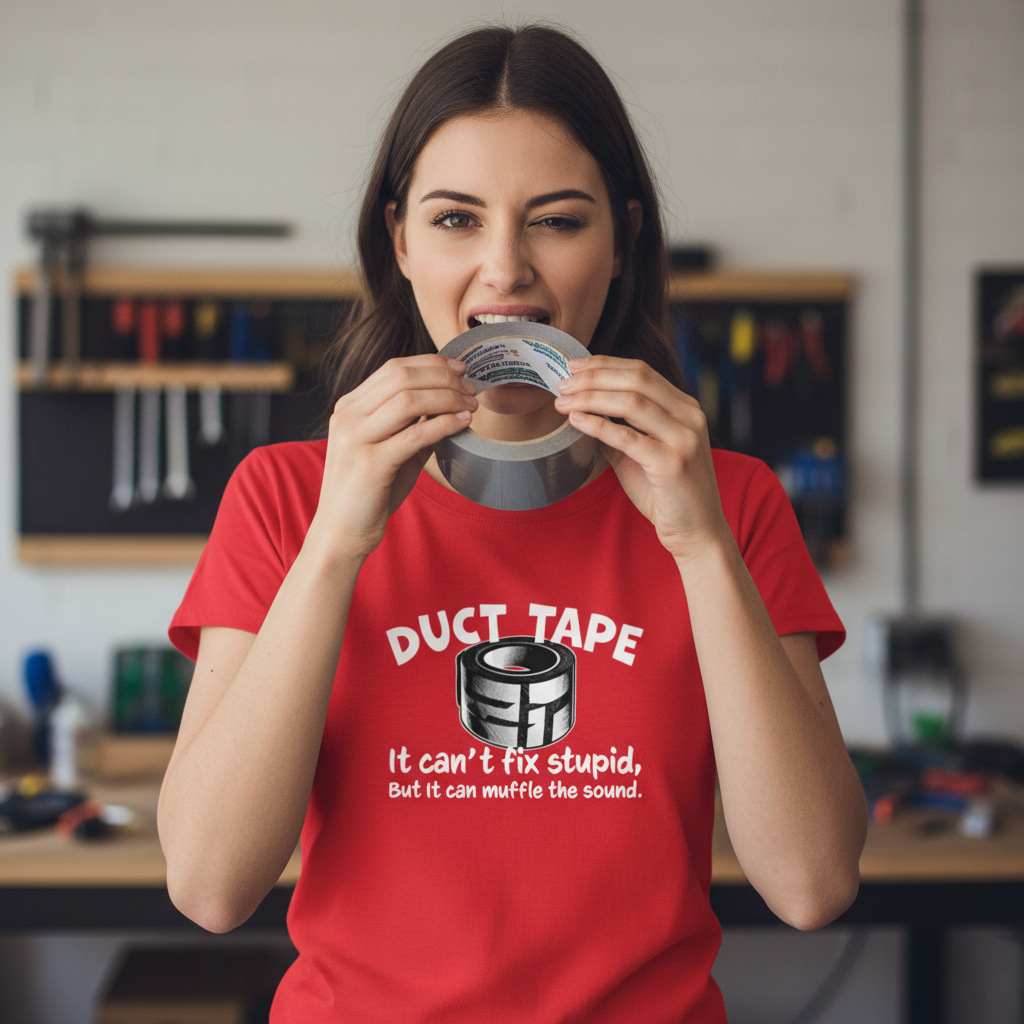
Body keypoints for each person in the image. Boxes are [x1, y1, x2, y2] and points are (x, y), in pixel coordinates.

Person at [159, 23, 867, 1023]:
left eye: (556, 221)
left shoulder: (731, 502)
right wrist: (337, 544)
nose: (505, 271)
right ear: (399, 238)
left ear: (620, 242)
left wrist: (700, 546)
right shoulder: (283, 497)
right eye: (456, 219)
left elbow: (811, 884)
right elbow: (210, 886)